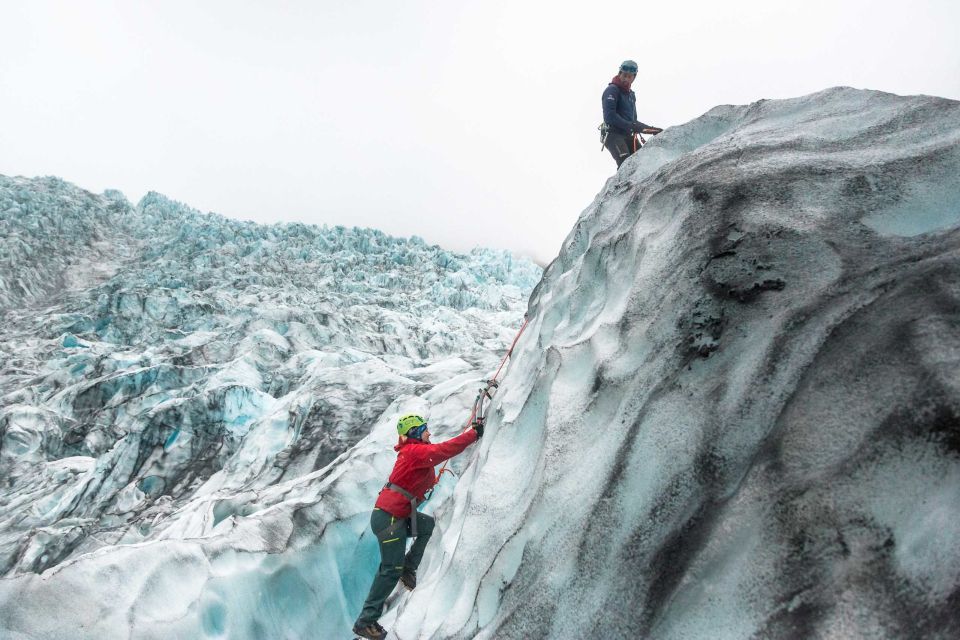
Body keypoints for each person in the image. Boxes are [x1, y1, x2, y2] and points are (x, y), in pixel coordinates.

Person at [353, 414, 483, 640]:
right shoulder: (414, 451)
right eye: (424, 429)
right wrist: (472, 434)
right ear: (414, 433)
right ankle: (366, 621)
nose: (428, 433)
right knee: (390, 568)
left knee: (427, 526)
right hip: (390, 517)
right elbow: (442, 451)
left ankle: (408, 567)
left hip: (399, 514)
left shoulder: (414, 452)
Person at [602, 59, 663, 167]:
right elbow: (609, 116)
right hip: (613, 134)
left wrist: (652, 130)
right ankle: (621, 184)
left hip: (628, 135)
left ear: (634, 78)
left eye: (630, 76)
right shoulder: (612, 90)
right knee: (625, 161)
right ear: (619, 74)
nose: (626, 79)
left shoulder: (631, 95)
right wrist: (631, 126)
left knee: (643, 161)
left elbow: (633, 122)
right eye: (624, 75)